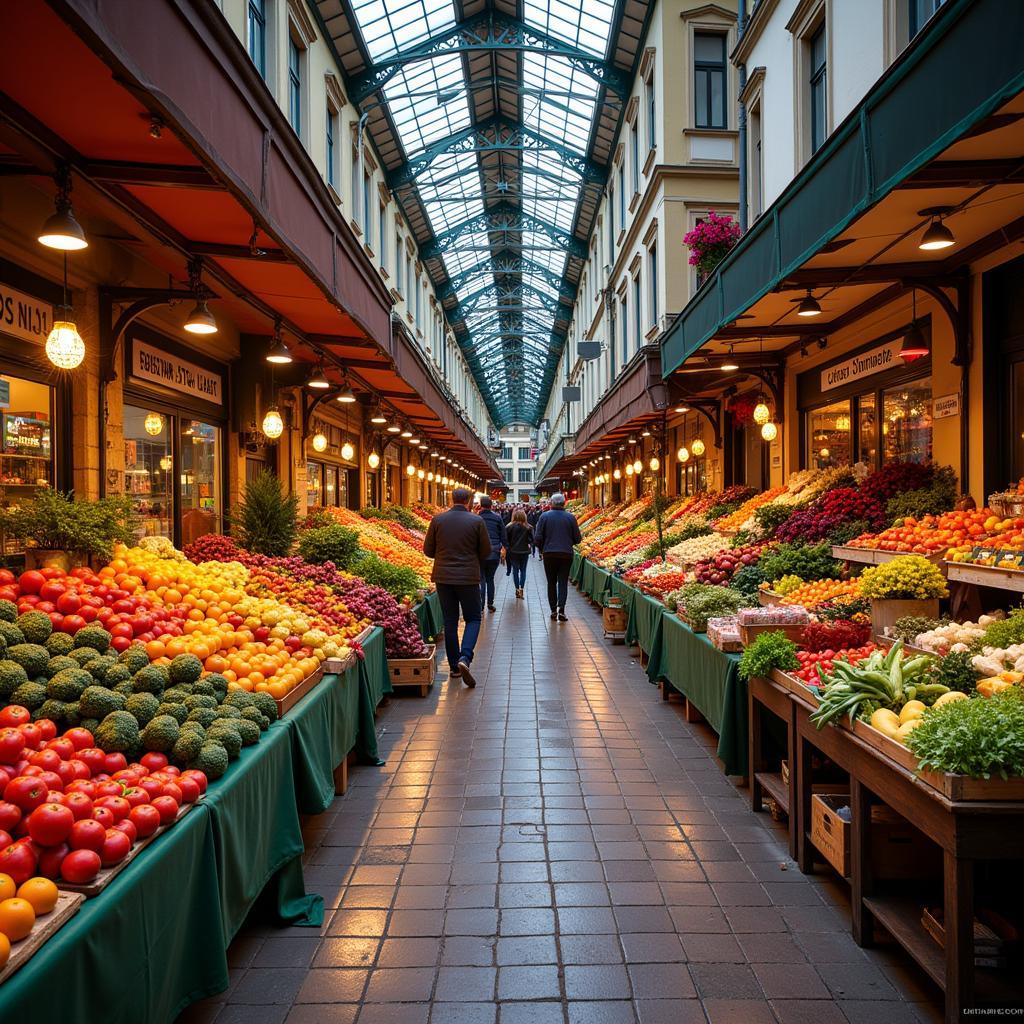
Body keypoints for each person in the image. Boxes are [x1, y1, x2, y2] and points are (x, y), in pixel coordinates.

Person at [423, 487, 491, 687]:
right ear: (469, 500)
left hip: (443, 577)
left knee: (450, 620)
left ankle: (454, 667)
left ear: (452, 499)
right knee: (473, 618)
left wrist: (445, 556)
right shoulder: (477, 521)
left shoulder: (437, 520)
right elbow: (486, 551)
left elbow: (428, 550)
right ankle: (465, 658)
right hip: (468, 577)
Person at [534, 492, 581, 621]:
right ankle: (562, 610)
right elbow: (578, 539)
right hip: (566, 554)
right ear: (564, 503)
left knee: (551, 582)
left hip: (549, 554)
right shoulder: (571, 517)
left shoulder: (544, 517)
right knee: (562, 582)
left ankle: (553, 610)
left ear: (551, 503)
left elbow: (537, 537)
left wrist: (542, 550)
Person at [476, 494, 507, 613]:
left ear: (480, 505)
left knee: (481, 579)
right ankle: (490, 603)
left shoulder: (477, 518)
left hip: (480, 553)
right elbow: (503, 535)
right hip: (494, 551)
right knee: (490, 579)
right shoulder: (498, 517)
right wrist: (504, 548)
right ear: (491, 506)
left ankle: (481, 605)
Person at [505, 508, 534, 599]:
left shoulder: (509, 527)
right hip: (524, 551)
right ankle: (522, 588)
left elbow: (506, 540)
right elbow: (532, 540)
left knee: (515, 571)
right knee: (523, 570)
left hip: (513, 552)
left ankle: (517, 589)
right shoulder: (529, 527)